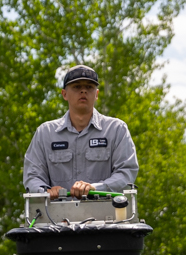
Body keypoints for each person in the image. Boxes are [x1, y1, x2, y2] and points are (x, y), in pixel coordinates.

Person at [22, 65, 139, 198]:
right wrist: (46, 191)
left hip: (107, 216)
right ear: (64, 94)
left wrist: (95, 188)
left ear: (96, 94)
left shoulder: (116, 130)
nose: (83, 91)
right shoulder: (45, 133)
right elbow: (32, 176)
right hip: (56, 216)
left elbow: (126, 173)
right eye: (77, 87)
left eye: (89, 87)